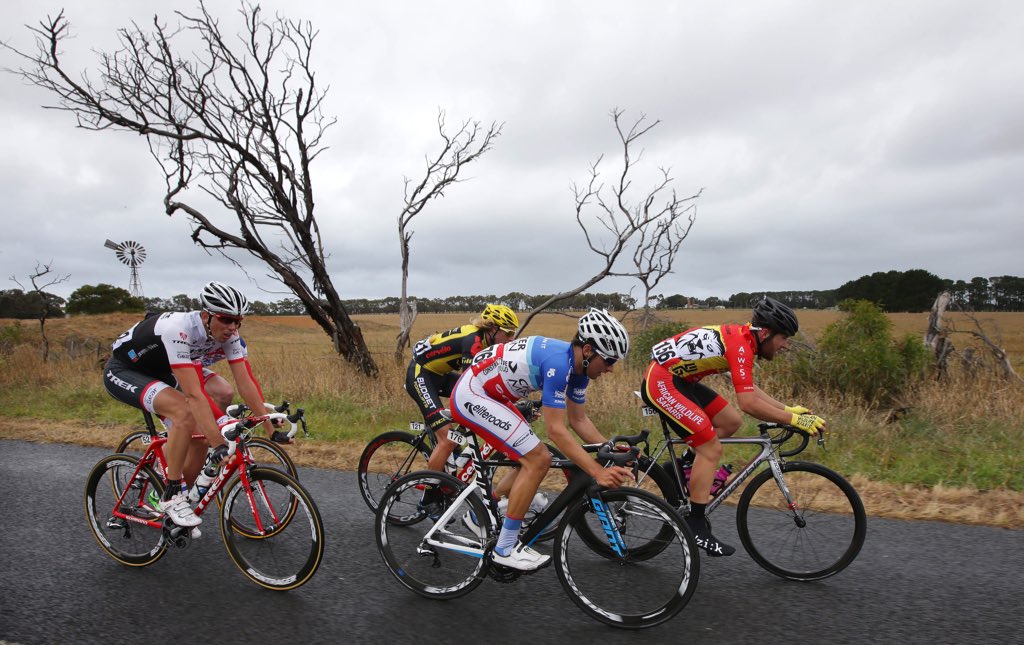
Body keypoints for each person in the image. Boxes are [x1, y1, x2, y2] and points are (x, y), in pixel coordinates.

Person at [639, 296, 826, 557]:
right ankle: (695, 524)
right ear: (766, 333)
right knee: (711, 450)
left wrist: (787, 410)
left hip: (680, 380)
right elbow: (749, 403)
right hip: (662, 381)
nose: (785, 345)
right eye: (784, 338)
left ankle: (679, 469)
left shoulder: (744, 341)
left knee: (730, 422)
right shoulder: (740, 345)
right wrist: (796, 421)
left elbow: (749, 390)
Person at [449, 308, 633, 571]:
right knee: (538, 459)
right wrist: (596, 471)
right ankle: (505, 548)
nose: (611, 369)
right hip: (473, 393)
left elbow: (578, 421)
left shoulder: (579, 369)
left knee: (533, 453)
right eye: (609, 360)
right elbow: (556, 430)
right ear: (589, 350)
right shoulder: (560, 364)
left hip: (494, 395)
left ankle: (482, 513)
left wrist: (611, 450)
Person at [102, 282, 274, 529]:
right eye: (226, 320)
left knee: (204, 427)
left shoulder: (230, 335)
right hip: (126, 370)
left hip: (163, 369)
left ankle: (182, 485)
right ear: (206, 315)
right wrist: (218, 444)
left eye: (238, 321)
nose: (232, 328)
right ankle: (170, 495)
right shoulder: (179, 329)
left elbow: (245, 382)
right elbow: (194, 396)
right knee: (185, 413)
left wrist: (269, 426)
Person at [405, 304, 520, 481]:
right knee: (448, 439)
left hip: (438, 375)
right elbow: (472, 384)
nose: (511, 338)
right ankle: (429, 499)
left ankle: (451, 462)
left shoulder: (487, 341)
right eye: (508, 332)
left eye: (514, 333)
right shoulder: (473, 340)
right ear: (493, 328)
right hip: (420, 375)